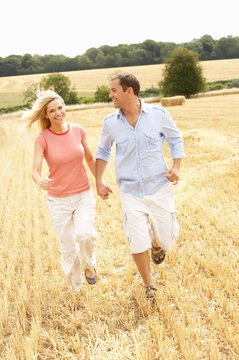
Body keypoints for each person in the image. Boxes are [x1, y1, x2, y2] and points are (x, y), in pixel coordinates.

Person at [95, 73, 185, 300]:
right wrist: (99, 179)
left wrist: (176, 166)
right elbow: (103, 151)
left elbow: (175, 139)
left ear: (129, 91)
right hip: (129, 191)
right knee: (137, 240)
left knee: (166, 239)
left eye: (114, 90)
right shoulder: (110, 123)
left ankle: (158, 242)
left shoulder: (158, 115)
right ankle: (149, 284)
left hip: (158, 187)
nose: (110, 94)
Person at [21, 89, 97, 293]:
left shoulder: (78, 130)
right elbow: (35, 171)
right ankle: (76, 288)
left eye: (60, 108)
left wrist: (100, 180)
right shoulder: (42, 139)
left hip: (82, 195)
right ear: (45, 115)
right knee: (68, 248)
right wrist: (40, 180)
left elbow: (90, 158)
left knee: (85, 235)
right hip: (58, 201)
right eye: (52, 111)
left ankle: (89, 265)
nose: (57, 113)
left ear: (64, 107)